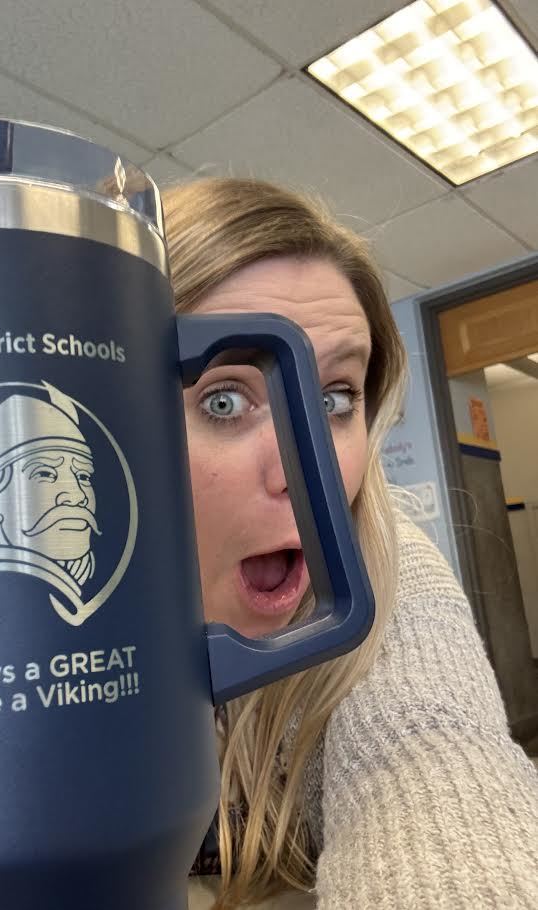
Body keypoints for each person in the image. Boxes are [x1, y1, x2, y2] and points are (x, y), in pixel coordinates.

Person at [160, 177, 538, 909]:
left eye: (335, 399)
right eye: (224, 400)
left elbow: (431, 760)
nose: (303, 471)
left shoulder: (383, 563)